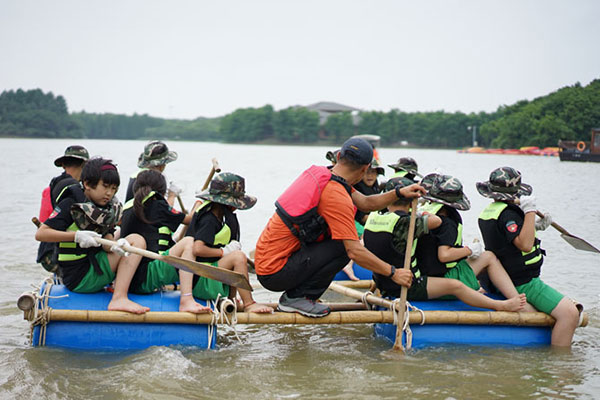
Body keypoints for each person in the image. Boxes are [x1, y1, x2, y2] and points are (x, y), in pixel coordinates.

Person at [255, 137, 424, 318]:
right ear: (365, 168)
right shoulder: (336, 195)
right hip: (275, 272)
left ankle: (298, 296)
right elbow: (354, 252)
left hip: (267, 261)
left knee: (343, 243)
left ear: (338, 156)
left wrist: (398, 193)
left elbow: (365, 203)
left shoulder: (327, 175)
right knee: (344, 247)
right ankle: (297, 298)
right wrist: (393, 273)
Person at [364, 177, 526, 312]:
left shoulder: (374, 217)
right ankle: (501, 305)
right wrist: (469, 250)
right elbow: (436, 224)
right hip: (407, 284)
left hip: (383, 282)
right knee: (455, 285)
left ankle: (486, 291)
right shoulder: (409, 222)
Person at [477, 167, 580, 347]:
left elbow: (507, 238)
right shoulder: (508, 213)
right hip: (522, 282)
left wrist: (535, 226)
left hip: (497, 281)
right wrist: (530, 212)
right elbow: (524, 245)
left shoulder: (491, 211)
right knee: (570, 313)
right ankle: (560, 363)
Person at [35, 157, 149, 314]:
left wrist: (116, 246)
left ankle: (117, 288)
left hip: (92, 267)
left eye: (114, 188)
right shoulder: (70, 204)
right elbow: (41, 233)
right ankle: (119, 298)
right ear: (87, 184)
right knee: (138, 241)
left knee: (126, 238)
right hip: (79, 276)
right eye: (105, 186)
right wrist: (76, 236)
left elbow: (106, 243)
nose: (109, 193)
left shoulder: (106, 209)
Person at [415, 173, 529, 307]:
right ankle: (516, 300)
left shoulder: (424, 216)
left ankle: (483, 288)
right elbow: (444, 255)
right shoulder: (447, 223)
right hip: (443, 281)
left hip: (426, 277)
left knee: (478, 264)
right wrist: (469, 250)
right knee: (489, 256)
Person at [120, 169, 211, 314]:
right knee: (188, 242)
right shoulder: (156, 204)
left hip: (127, 279)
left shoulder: (129, 205)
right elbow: (191, 218)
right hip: (145, 278)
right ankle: (186, 300)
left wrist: (172, 196)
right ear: (161, 191)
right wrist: (200, 200)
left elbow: (166, 211)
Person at [187, 172, 273, 313]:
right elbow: (197, 249)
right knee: (237, 257)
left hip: (208, 275)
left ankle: (232, 300)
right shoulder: (209, 219)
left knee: (236, 257)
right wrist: (224, 252)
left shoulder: (222, 217)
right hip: (199, 280)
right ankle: (249, 303)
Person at [37, 145, 90, 272]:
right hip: (56, 256)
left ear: (63, 165)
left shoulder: (50, 188)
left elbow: (43, 221)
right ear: (85, 165)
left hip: (46, 252)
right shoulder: (78, 191)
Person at [341, 157, 385, 281]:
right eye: (367, 172)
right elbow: (360, 216)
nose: (370, 176)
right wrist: (381, 221)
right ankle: (348, 264)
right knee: (364, 236)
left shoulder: (375, 188)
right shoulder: (357, 188)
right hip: (353, 222)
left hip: (368, 221)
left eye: (373, 172)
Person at [125, 140, 180, 206]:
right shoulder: (154, 179)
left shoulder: (135, 175)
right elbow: (162, 211)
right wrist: (172, 195)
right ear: (162, 165)